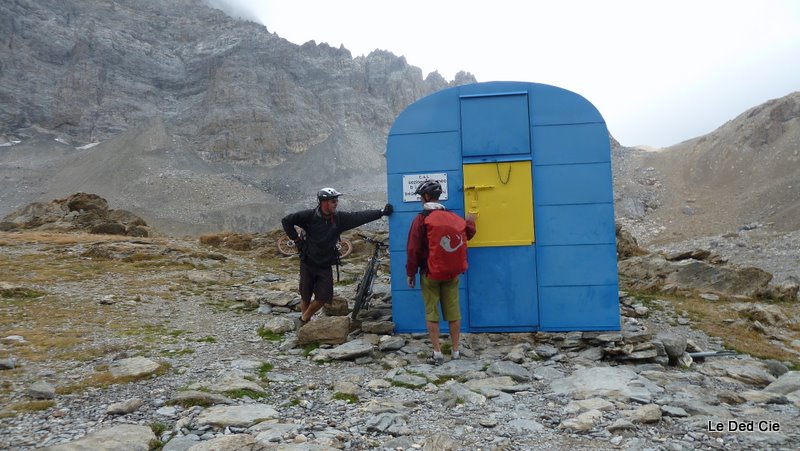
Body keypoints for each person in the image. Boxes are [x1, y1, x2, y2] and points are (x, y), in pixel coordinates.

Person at [282, 187, 393, 326]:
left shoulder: (339, 219)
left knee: (323, 297)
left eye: (336, 201)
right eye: (333, 201)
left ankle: (303, 319)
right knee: (305, 295)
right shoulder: (309, 216)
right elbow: (286, 221)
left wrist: (381, 212)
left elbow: (358, 216)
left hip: (325, 263)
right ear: (324, 202)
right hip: (308, 261)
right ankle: (306, 325)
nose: (336, 203)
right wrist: (297, 240)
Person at [405, 180, 476, 365]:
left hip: (430, 273)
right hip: (452, 273)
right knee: (453, 311)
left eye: (421, 197)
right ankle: (455, 351)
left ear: (426, 197)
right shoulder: (453, 216)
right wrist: (471, 220)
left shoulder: (421, 219)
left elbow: (413, 249)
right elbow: (468, 232)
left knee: (431, 311)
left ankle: (437, 352)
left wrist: (411, 273)